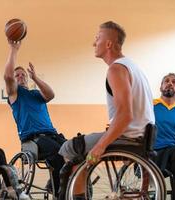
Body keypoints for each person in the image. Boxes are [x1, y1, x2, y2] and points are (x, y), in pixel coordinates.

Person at [58, 21, 155, 199]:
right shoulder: (132, 66)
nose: (94, 43)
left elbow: (126, 114)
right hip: (141, 136)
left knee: (68, 148)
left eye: (97, 38)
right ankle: (81, 181)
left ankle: (77, 188)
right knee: (80, 159)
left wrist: (100, 146)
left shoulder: (116, 69)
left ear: (109, 44)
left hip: (128, 138)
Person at [4, 40, 66, 196]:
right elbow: (7, 76)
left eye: (23, 75)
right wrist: (14, 50)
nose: (20, 77)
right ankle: (58, 190)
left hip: (52, 135)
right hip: (33, 140)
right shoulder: (15, 95)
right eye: (17, 75)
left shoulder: (36, 94)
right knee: (59, 154)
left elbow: (51, 95)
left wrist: (35, 78)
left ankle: (63, 185)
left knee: (74, 151)